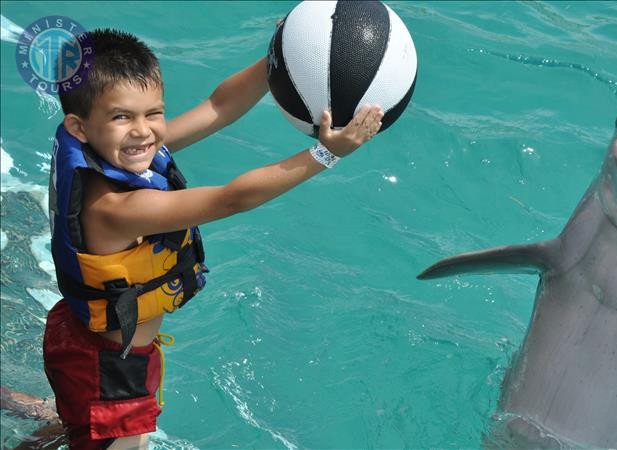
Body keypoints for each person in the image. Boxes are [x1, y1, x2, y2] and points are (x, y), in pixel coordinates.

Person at [42, 28, 383, 449]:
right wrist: (326, 154)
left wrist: (284, 52)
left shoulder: (113, 150)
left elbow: (219, 106)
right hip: (107, 370)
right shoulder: (115, 209)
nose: (143, 131)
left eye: (154, 113)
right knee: (127, 442)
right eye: (121, 117)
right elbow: (231, 200)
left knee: (84, 428)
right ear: (79, 126)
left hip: (88, 344)